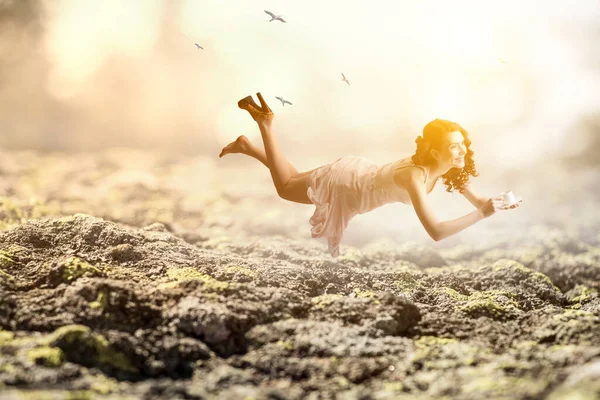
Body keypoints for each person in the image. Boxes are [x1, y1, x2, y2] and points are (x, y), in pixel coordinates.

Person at [219, 92, 522, 257]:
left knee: (294, 180)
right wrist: (483, 214)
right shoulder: (415, 177)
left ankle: (249, 146)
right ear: (435, 152)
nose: (462, 152)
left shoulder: (443, 167)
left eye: (463, 145)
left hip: (356, 173)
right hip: (348, 185)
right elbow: (437, 232)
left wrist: (498, 204)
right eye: (455, 147)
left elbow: (480, 200)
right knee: (286, 187)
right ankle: (265, 125)